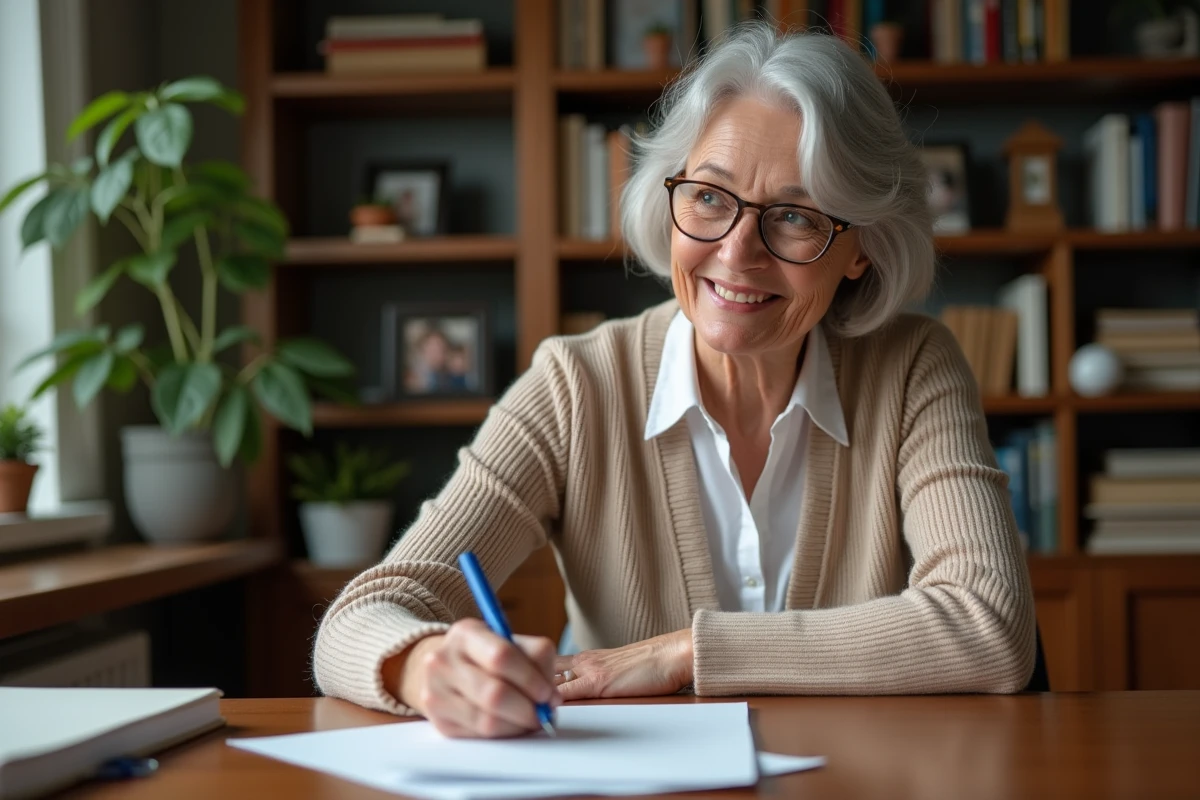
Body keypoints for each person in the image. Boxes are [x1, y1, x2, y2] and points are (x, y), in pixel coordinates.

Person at [313, 22, 1036, 739]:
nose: (737, 252)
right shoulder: (577, 385)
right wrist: (426, 664)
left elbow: (992, 624)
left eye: (794, 216)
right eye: (710, 198)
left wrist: (684, 654)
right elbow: (360, 619)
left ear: (860, 249)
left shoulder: (914, 366)